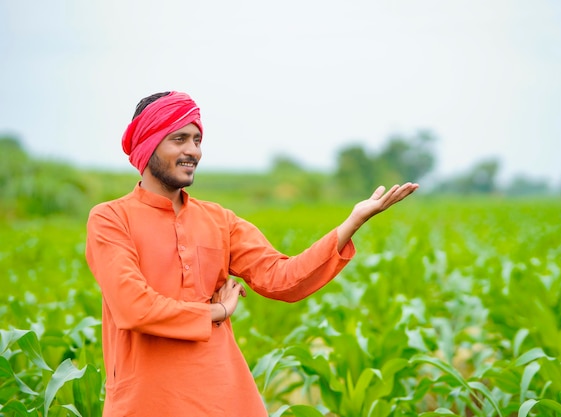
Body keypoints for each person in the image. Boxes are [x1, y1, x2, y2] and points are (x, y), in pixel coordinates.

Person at [85, 91, 419, 416]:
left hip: (224, 399)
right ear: (148, 143)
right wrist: (216, 312)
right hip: (147, 401)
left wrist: (351, 223)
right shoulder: (111, 219)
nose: (193, 151)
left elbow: (283, 279)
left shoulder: (219, 220)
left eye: (197, 140)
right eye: (179, 139)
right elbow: (133, 307)